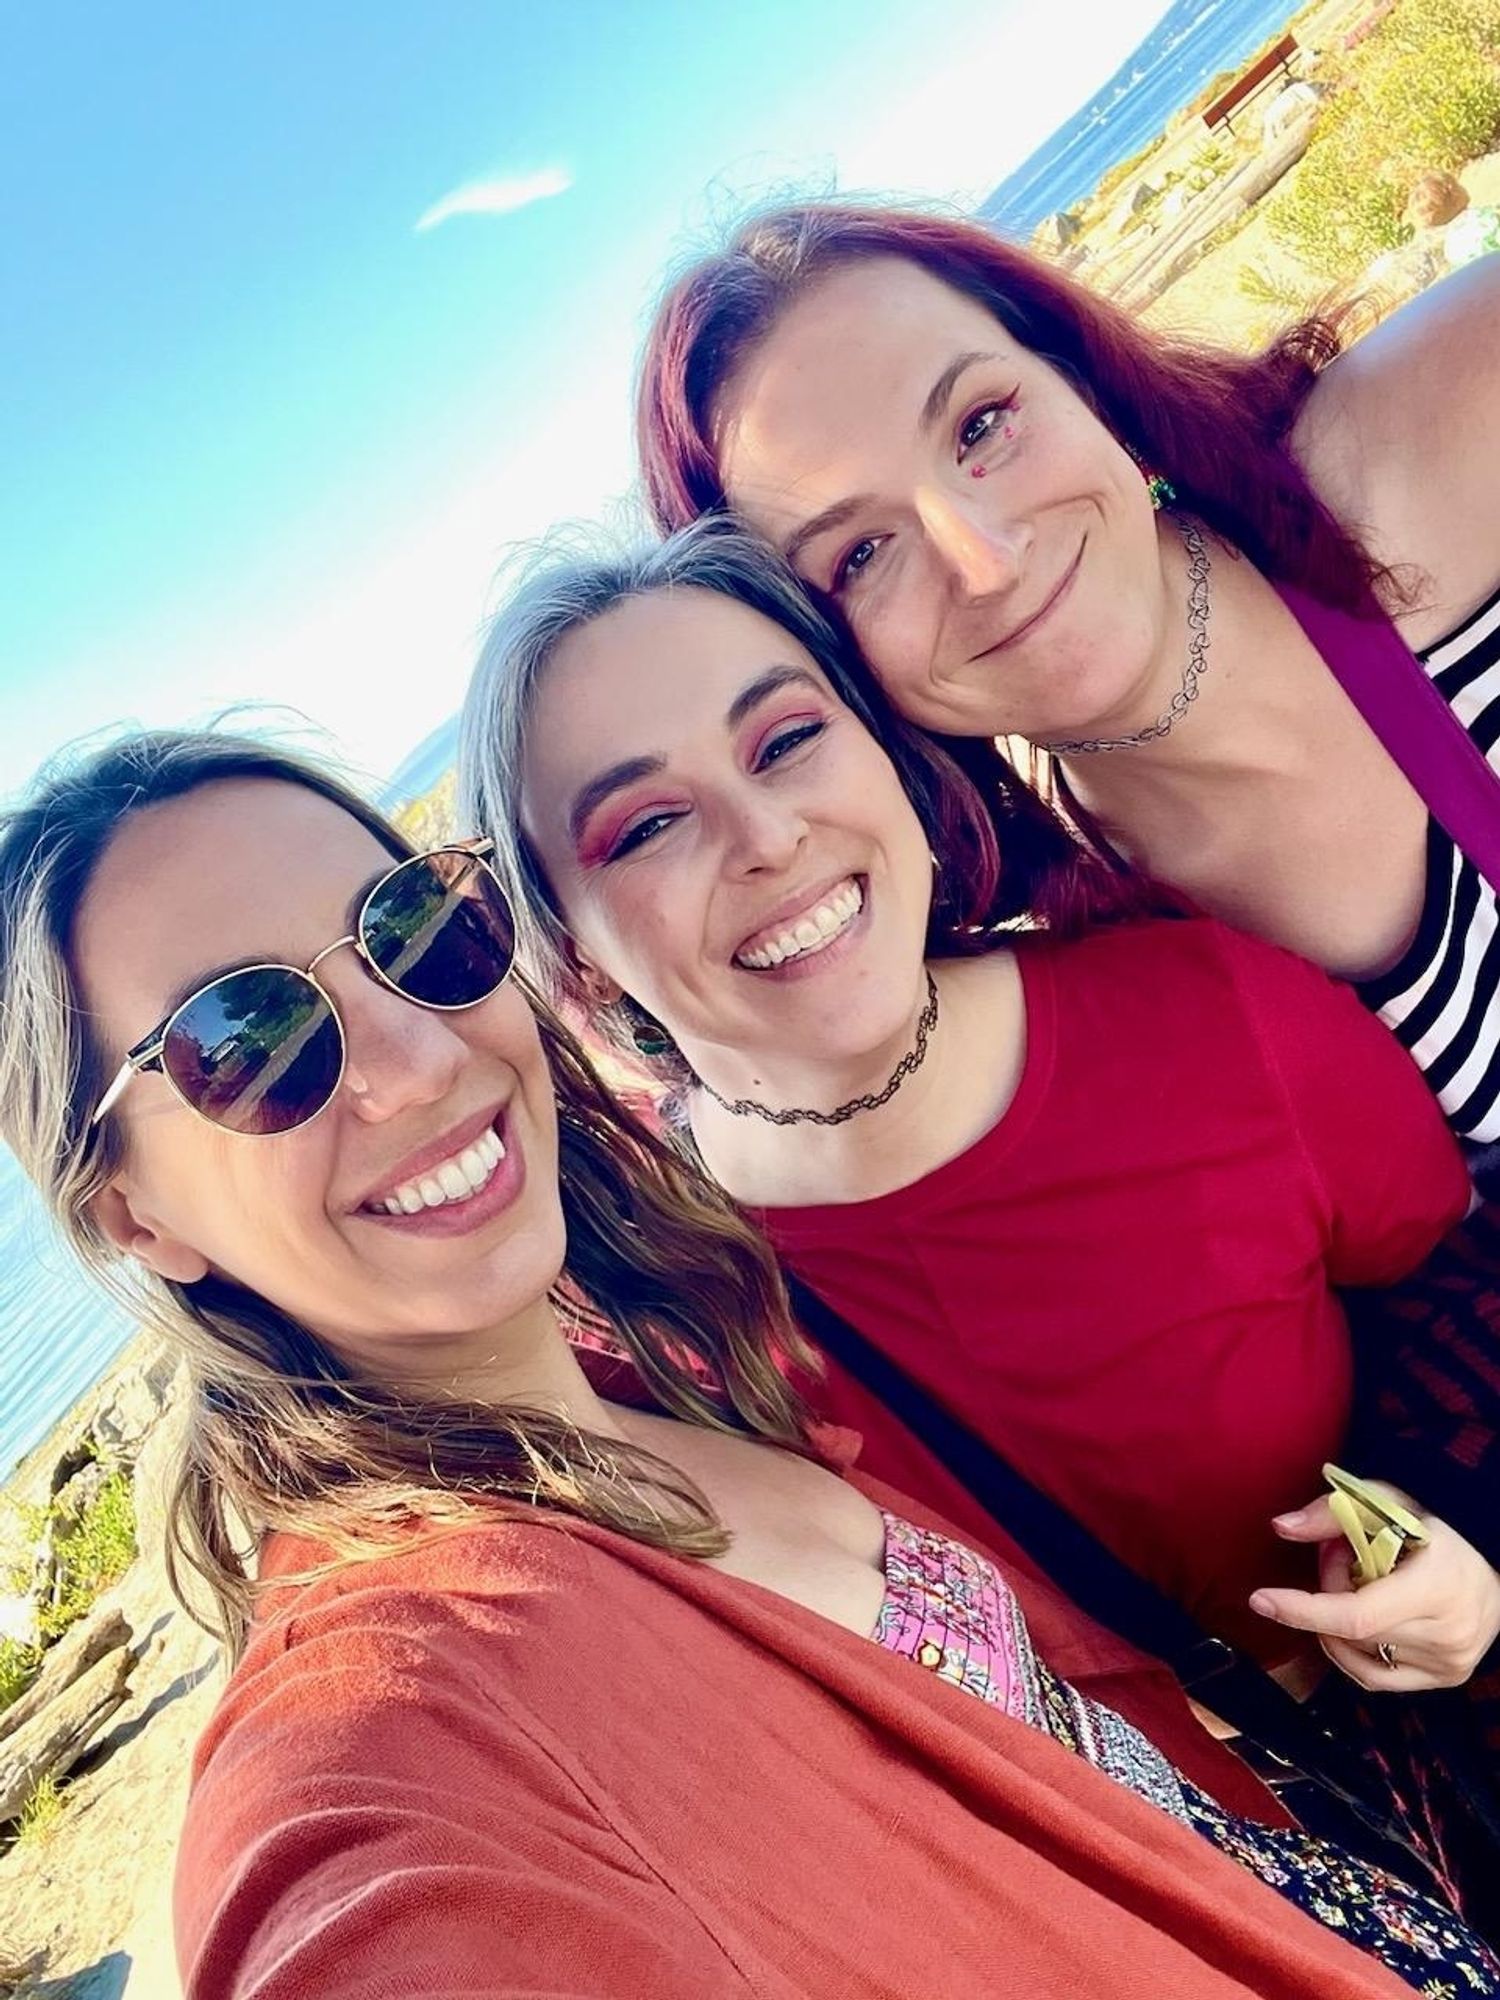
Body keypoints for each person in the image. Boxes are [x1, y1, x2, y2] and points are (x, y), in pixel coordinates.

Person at [3, 736, 1491, 1997]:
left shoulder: (678, 1364)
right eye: (242, 1046)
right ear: (131, 1211)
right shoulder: (399, 1731)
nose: (420, 1056)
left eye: (411, 929)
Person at [634, 201, 1500, 1147]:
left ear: (1074, 374)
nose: (987, 560)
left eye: (982, 425)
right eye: (862, 555)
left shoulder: (1450, 425)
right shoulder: (1090, 945)